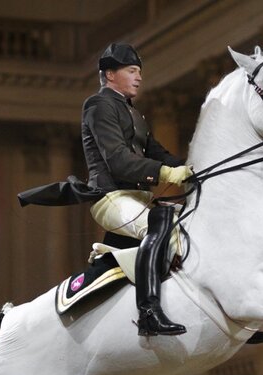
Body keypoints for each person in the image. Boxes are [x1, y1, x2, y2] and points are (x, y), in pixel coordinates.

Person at [82, 42, 192, 336]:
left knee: (190, 226)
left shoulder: (134, 114)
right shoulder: (98, 106)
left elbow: (158, 153)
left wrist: (195, 169)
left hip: (139, 198)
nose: (139, 77)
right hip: (111, 197)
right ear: (110, 74)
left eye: (139, 71)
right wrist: (165, 173)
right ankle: (148, 313)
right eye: (131, 71)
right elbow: (118, 160)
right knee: (159, 229)